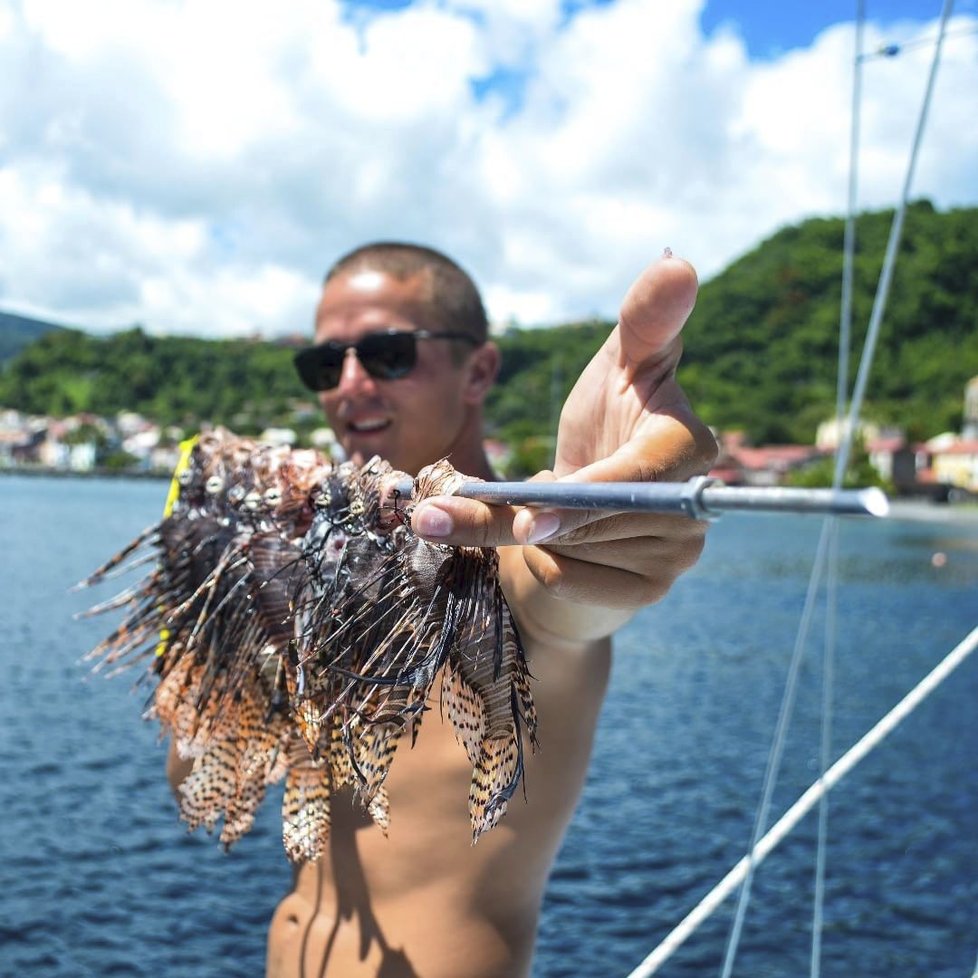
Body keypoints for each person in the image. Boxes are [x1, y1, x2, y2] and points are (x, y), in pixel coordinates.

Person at [169, 241, 717, 978]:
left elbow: (565, 598)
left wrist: (595, 529)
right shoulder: (320, 575)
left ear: (480, 370)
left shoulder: (514, 559)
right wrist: (203, 633)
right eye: (325, 365)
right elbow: (191, 775)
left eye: (388, 353)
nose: (351, 385)